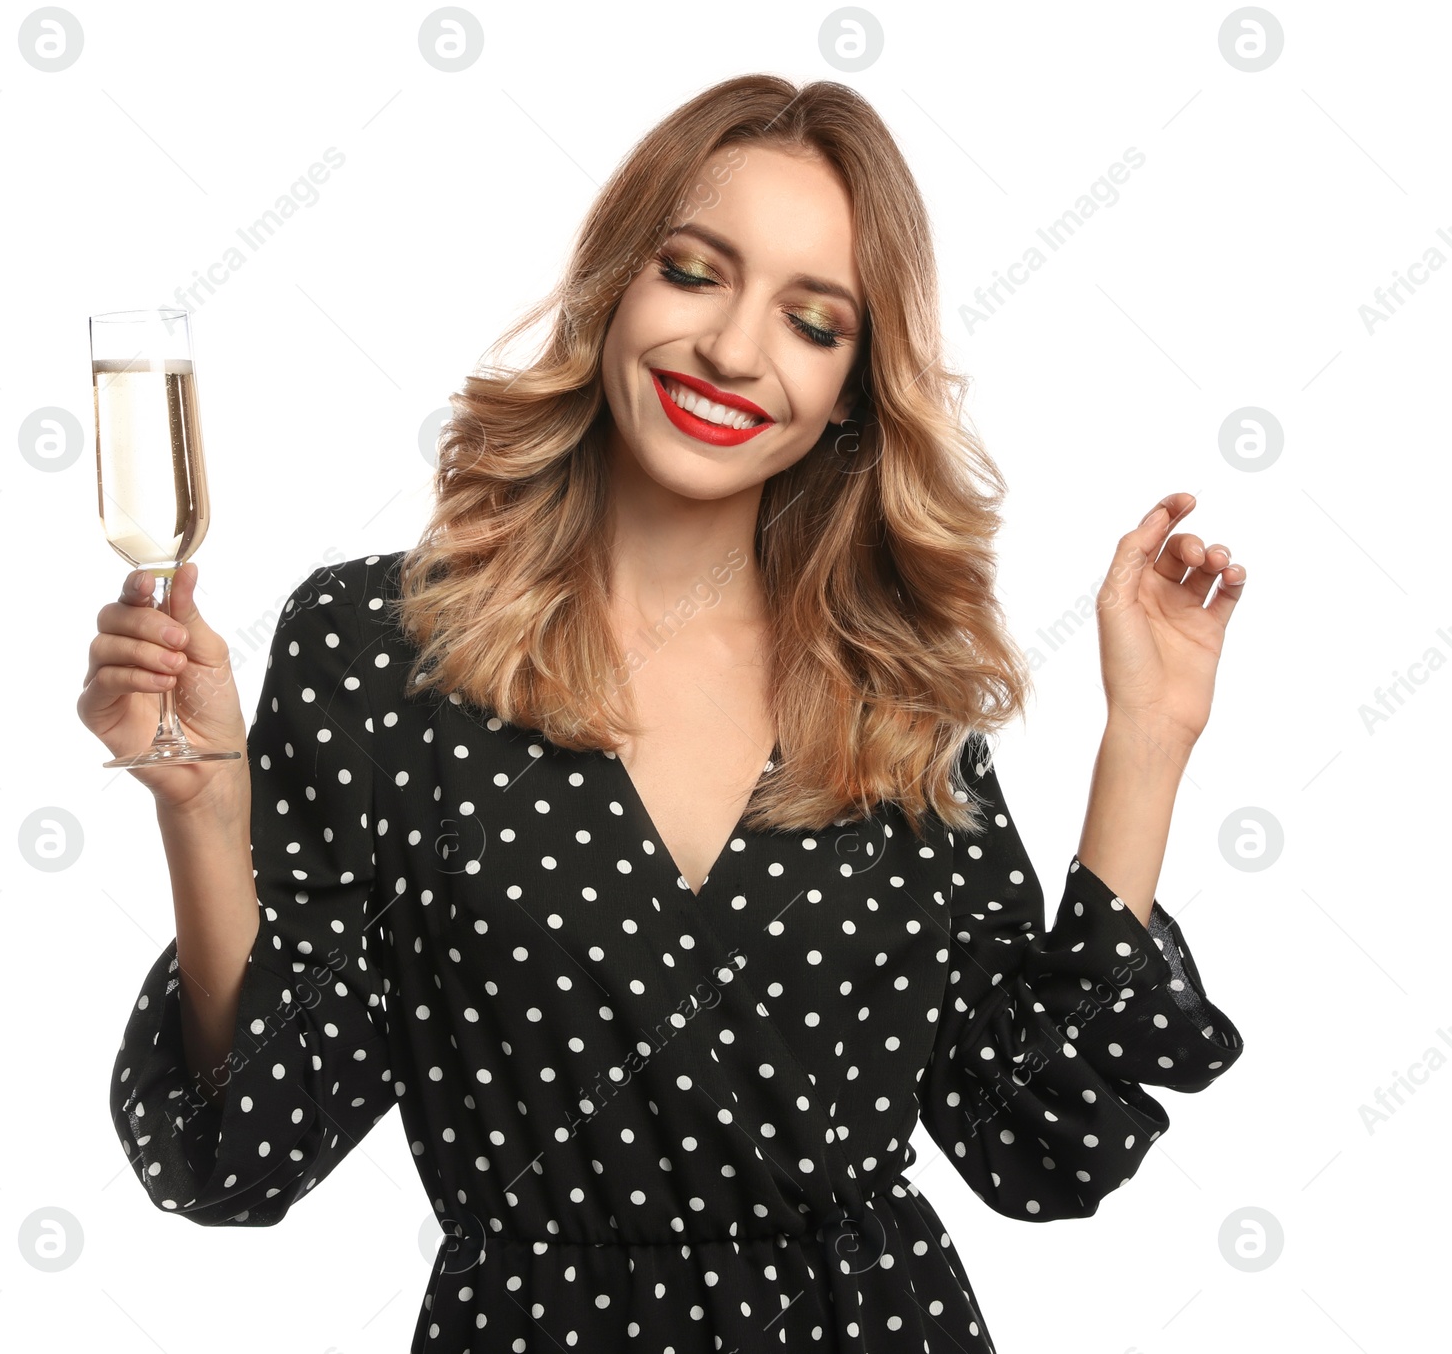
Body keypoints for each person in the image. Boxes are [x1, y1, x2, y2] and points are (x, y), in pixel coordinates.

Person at [81, 74, 1247, 1353]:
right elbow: (237, 1155)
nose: (735, 351)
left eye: (813, 321)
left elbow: (1037, 1145)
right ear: (614, 286)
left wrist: (1145, 740)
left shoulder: (889, 687)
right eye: (695, 273)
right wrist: (202, 807)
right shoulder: (382, 650)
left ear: (856, 388)